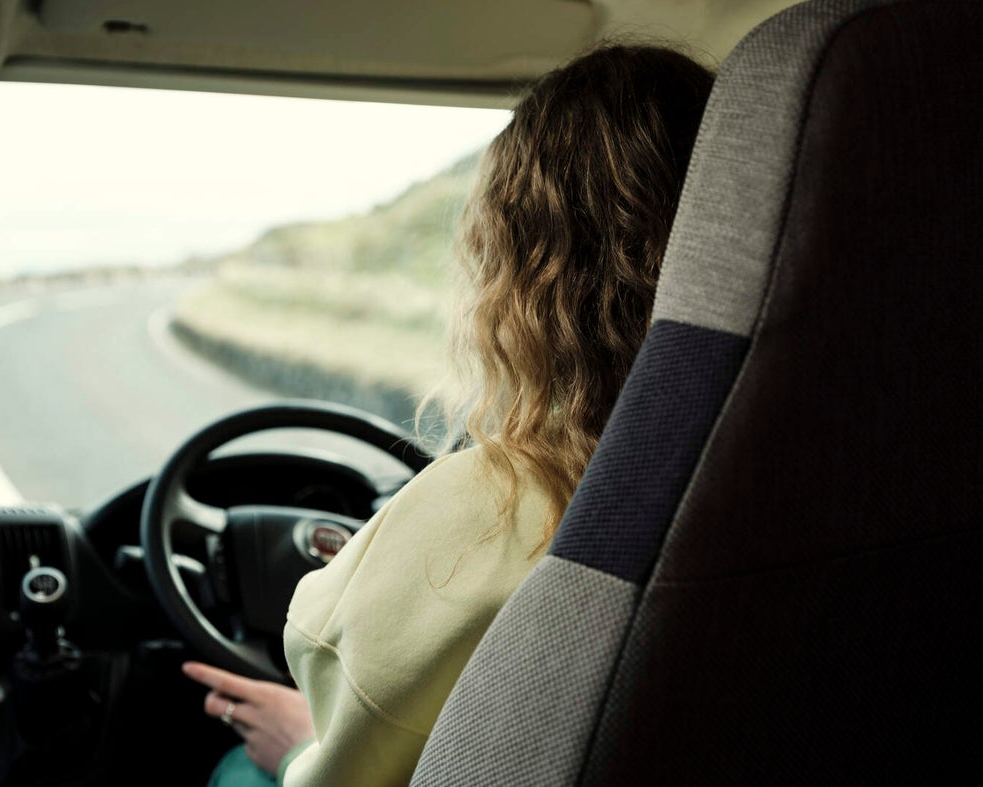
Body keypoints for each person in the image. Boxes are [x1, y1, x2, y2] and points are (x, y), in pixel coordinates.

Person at [183, 42, 716, 786]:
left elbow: (349, 738)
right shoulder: (790, 471)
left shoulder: (490, 506)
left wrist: (304, 743)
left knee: (241, 764)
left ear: (520, 268)